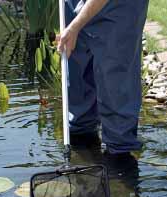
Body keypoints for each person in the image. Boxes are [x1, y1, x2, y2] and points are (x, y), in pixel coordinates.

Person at [57, 0, 149, 155]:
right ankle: (81, 154)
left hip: (119, 8)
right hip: (74, 4)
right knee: (78, 87)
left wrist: (74, 26)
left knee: (116, 86)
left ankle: (120, 169)